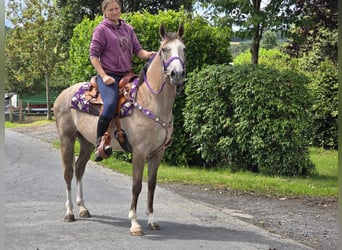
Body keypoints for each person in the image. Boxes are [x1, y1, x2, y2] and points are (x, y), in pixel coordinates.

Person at [90, 0, 154, 161]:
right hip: (109, 76)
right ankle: (99, 143)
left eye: (117, 8)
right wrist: (104, 76)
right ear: (104, 11)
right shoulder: (101, 30)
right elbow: (94, 56)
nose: (114, 12)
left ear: (120, 9)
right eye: (110, 9)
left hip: (127, 75)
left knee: (146, 99)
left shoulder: (128, 29)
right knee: (110, 104)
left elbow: (138, 50)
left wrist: (148, 55)